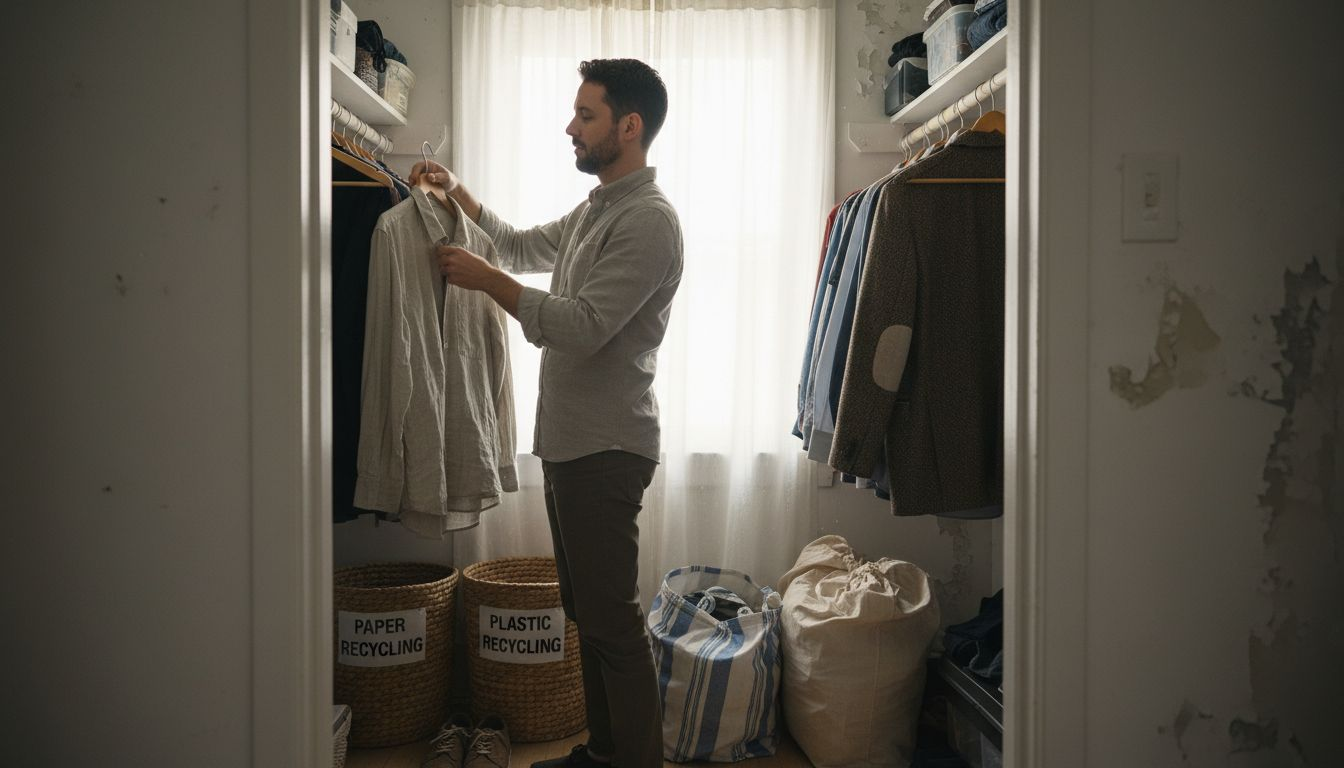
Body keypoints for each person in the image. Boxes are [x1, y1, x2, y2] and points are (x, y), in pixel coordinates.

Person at [411, 58, 682, 768]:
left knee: (614, 625)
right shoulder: (600, 209)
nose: (571, 126)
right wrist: (457, 194)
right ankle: (603, 754)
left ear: (629, 126)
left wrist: (486, 281)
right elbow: (521, 245)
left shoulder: (649, 222)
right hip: (571, 447)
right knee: (588, 618)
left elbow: (585, 325)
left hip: (606, 450)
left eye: (585, 115)